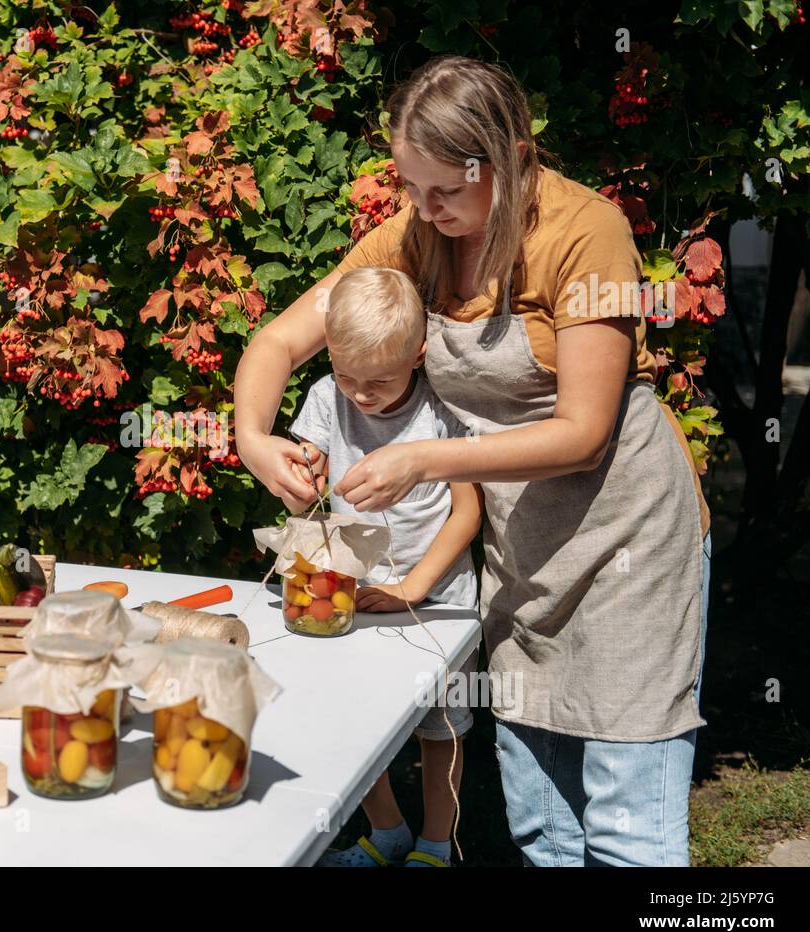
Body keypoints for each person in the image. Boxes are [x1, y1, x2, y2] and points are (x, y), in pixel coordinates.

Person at [233, 55, 712, 866]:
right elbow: (280, 339)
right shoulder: (418, 234)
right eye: (411, 187)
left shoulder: (586, 232)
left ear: (505, 160)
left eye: (443, 191)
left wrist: (424, 459)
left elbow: (584, 431)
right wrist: (252, 438)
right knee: (542, 824)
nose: (421, 209)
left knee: (628, 828)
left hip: (625, 542)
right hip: (523, 551)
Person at [286, 265, 482, 867]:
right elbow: (306, 468)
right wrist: (302, 475)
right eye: (347, 375)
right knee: (349, 715)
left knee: (440, 729)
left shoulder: (440, 415)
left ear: (418, 356)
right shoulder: (327, 397)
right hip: (356, 592)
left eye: (378, 380)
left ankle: (433, 844)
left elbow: (468, 511)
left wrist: (414, 587)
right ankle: (388, 829)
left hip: (439, 598)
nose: (361, 394)